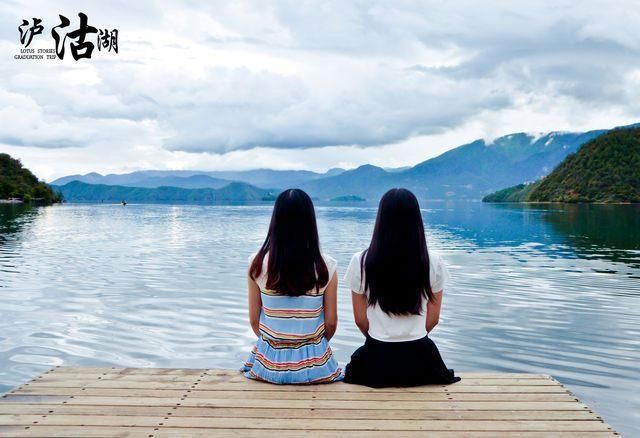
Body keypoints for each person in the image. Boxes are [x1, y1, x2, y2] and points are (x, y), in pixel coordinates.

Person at [343, 188, 460, 387]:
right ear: (417, 219)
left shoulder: (361, 261)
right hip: (421, 358)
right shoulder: (433, 261)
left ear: (380, 218)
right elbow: (433, 319)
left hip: (376, 358)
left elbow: (360, 320)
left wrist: (383, 339)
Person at [241, 189, 342, 384]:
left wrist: (275, 346)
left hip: (268, 364)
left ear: (275, 220)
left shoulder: (256, 263)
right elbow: (331, 323)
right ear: (310, 222)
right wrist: (313, 349)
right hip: (315, 366)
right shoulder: (326, 266)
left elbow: (254, 320)